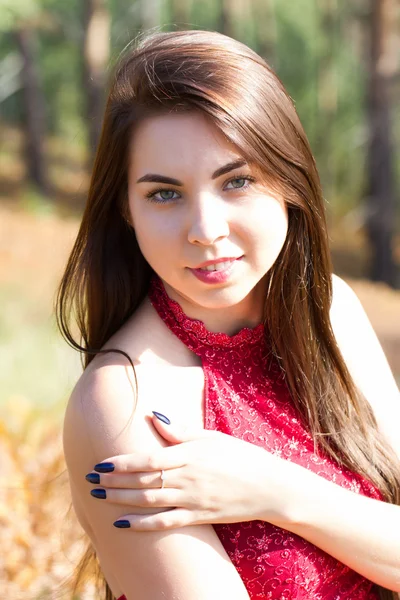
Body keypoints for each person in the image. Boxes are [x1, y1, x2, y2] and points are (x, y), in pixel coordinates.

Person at [58, 30, 400, 600]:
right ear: (126, 207)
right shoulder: (127, 401)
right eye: (165, 194)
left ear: (288, 179)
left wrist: (276, 490)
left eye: (236, 181)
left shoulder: (332, 310)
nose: (206, 230)